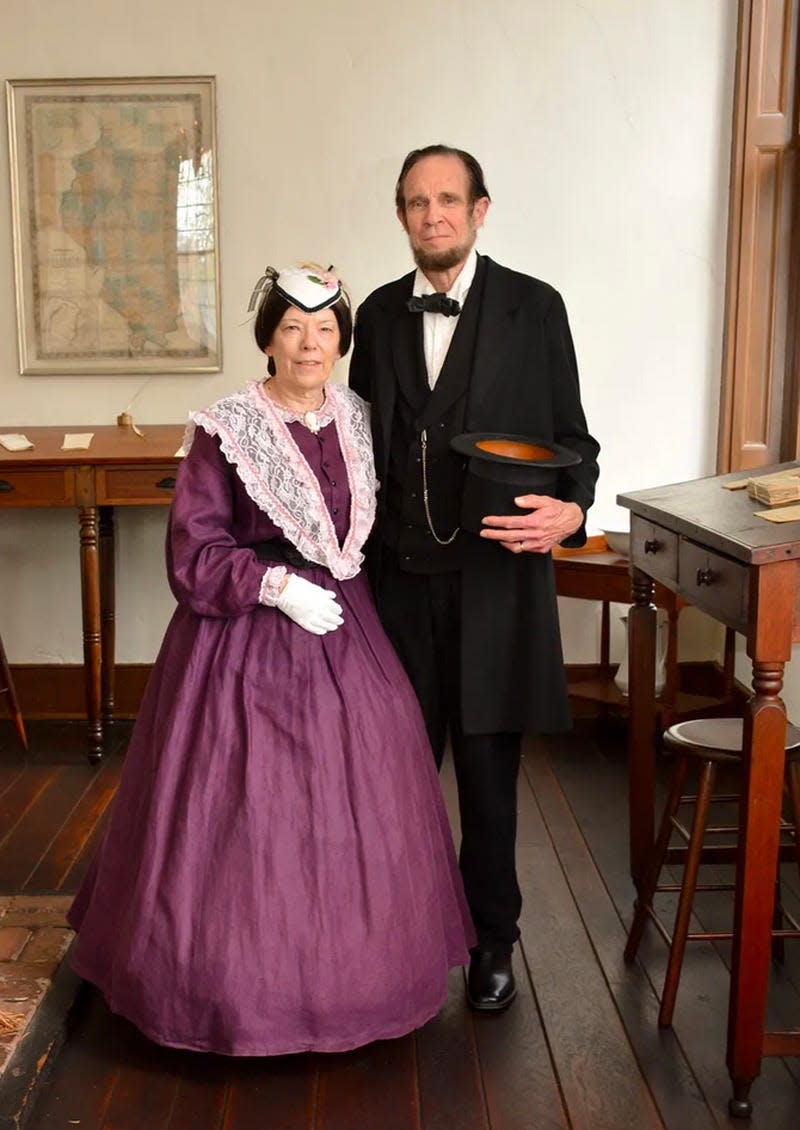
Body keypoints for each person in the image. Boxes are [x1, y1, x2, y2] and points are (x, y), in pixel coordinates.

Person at [67, 264, 474, 1056]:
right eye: (292, 328)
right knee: (242, 806)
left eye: (325, 331)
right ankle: (223, 993)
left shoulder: (357, 416)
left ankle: (362, 980)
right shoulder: (227, 428)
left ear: (342, 343)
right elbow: (192, 552)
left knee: (369, 785)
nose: (309, 344)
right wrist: (275, 583)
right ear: (268, 339)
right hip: (244, 639)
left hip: (348, 629)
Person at [349, 146, 600, 1012]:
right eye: (417, 203)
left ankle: (495, 939)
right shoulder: (378, 316)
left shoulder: (537, 309)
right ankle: (404, 939)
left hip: (498, 582)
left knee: (490, 778)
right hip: (398, 585)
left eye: (449, 200)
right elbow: (354, 446)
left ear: (481, 209)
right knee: (398, 774)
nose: (434, 216)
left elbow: (577, 444)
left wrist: (572, 512)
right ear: (402, 216)